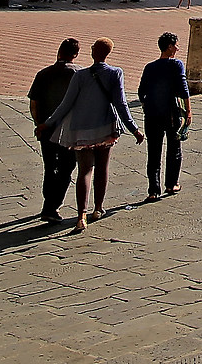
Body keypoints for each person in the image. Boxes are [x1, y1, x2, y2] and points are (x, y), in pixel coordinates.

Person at [45, 39, 143, 230]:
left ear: (93, 52)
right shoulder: (115, 73)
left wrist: (47, 123)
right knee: (102, 168)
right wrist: (134, 128)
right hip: (106, 127)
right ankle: (98, 208)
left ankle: (81, 215)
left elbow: (66, 104)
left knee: (84, 171)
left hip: (81, 129)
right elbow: (121, 104)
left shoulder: (80, 75)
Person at [26, 38, 82, 224]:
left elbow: (34, 104)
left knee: (50, 166)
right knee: (67, 167)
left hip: (47, 129)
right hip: (69, 130)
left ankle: (48, 202)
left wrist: (38, 123)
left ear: (59, 52)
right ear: (75, 54)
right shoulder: (79, 74)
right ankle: (52, 205)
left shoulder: (43, 74)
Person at [138, 32, 190, 199]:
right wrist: (188, 111)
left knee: (153, 152)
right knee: (174, 149)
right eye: (175, 46)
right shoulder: (176, 64)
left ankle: (153, 190)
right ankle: (171, 184)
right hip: (171, 113)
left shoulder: (150, 67)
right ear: (169, 47)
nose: (177, 49)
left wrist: (147, 106)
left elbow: (141, 91)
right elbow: (184, 90)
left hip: (152, 114)